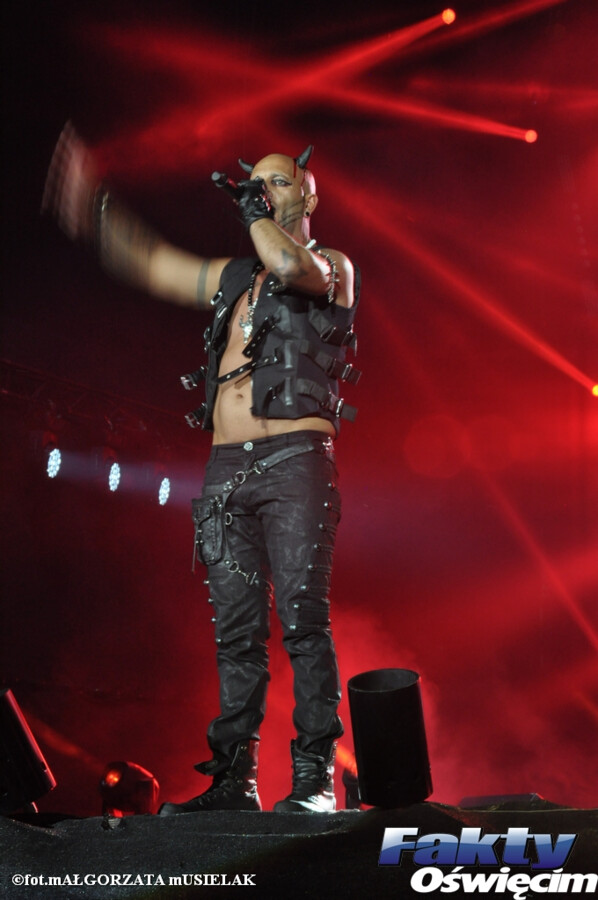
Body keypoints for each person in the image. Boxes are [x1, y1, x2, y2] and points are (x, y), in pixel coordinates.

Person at [43, 125, 361, 813]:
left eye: (277, 181)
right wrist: (95, 209)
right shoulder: (236, 277)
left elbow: (290, 266)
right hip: (225, 469)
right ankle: (234, 781)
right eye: (256, 181)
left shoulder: (330, 265)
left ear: (308, 196)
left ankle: (314, 779)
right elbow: (155, 263)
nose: (262, 190)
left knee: (303, 621)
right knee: (237, 632)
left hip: (295, 462)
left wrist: (254, 216)